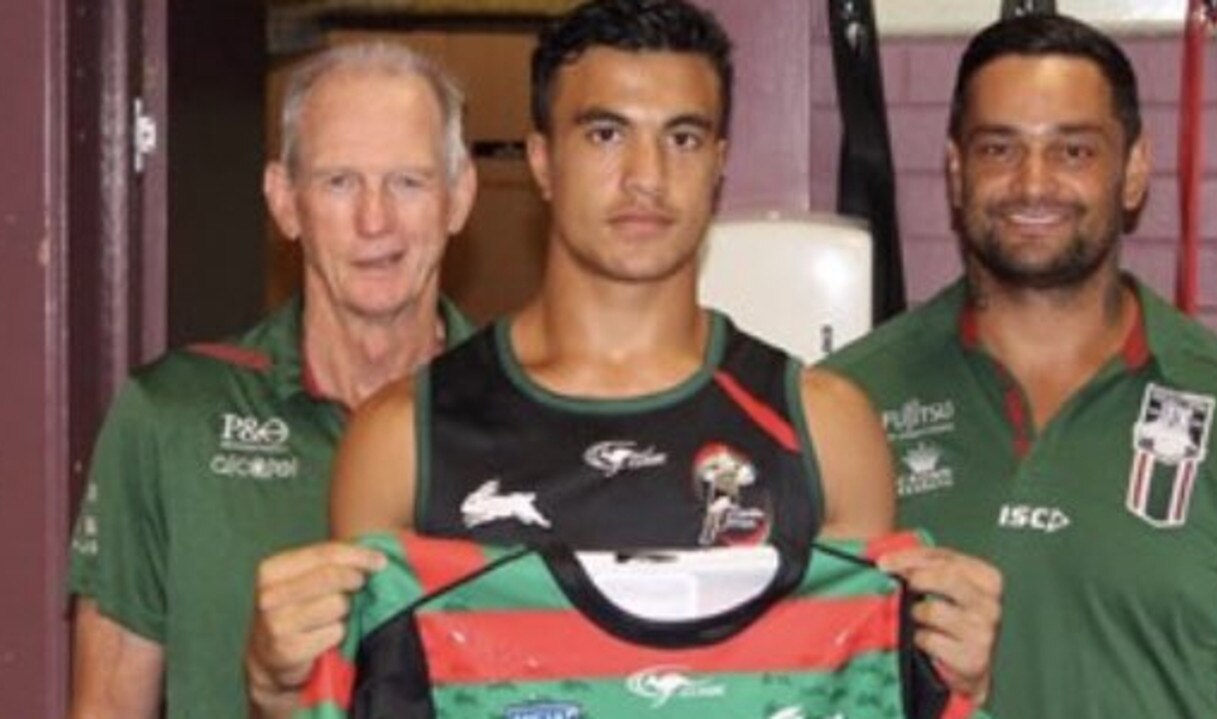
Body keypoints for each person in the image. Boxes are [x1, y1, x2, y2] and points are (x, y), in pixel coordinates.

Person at [245, 1, 1001, 717]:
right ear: (542, 160)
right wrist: (277, 686)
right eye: (605, 133)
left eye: (683, 137)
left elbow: (861, 691)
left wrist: (952, 678)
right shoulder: (401, 439)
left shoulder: (827, 431)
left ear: (719, 163)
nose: (646, 175)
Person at [823, 13, 1217, 719]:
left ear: (1132, 172)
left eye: (1073, 151)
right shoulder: (846, 400)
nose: (1032, 183)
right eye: (999, 147)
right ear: (955, 170)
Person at [66, 41, 477, 719]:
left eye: (409, 181)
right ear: (285, 203)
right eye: (339, 181)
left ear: (458, 198)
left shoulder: (530, 417)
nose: (375, 220)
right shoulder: (170, 417)